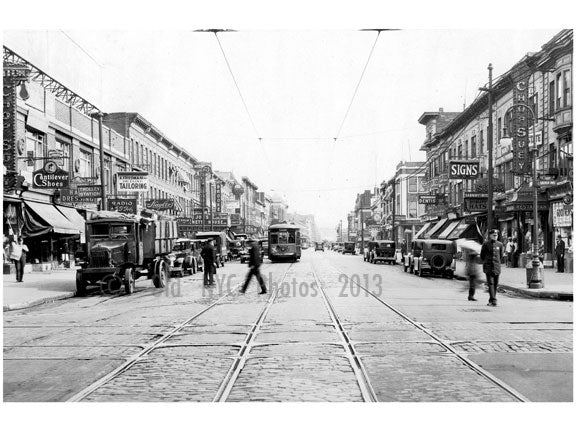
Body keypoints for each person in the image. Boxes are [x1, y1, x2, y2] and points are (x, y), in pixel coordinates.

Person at [480, 229, 504, 307]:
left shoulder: (500, 244)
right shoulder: (486, 244)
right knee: (490, 283)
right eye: (493, 235)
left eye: (496, 235)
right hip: (488, 267)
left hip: (497, 267)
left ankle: (491, 299)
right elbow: (482, 255)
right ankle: (494, 300)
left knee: (495, 284)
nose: (495, 236)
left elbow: (501, 256)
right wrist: (486, 262)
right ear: (490, 236)